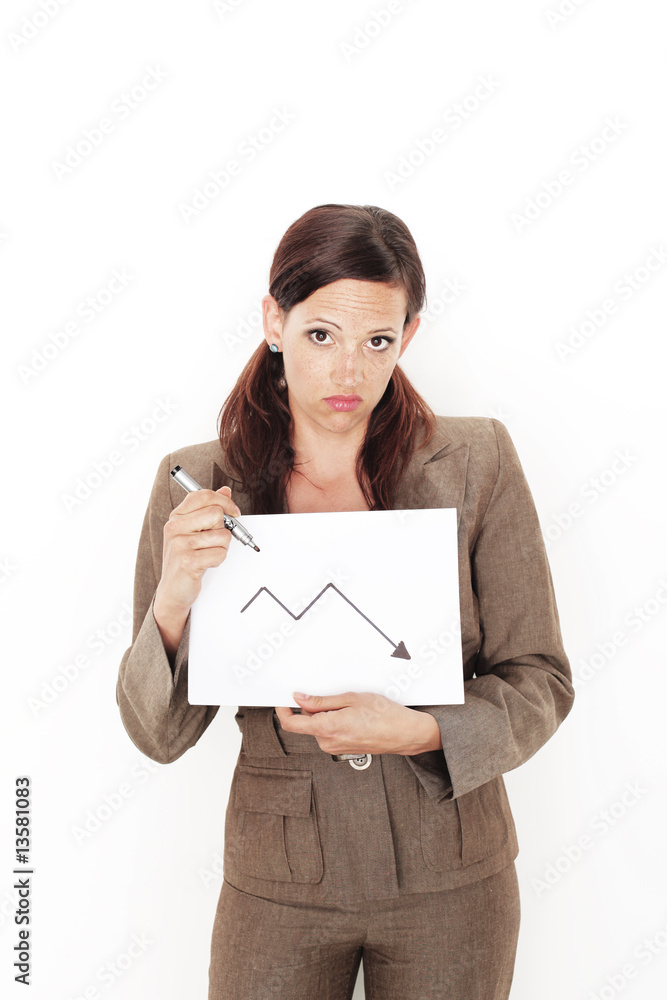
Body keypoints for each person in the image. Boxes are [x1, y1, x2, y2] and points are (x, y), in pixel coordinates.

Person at [116, 203, 575, 1000]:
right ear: (274, 321)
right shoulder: (198, 481)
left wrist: (424, 731)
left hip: (451, 871)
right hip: (280, 877)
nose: (348, 373)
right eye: (322, 335)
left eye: (377, 342)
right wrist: (175, 597)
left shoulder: (477, 462)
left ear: (409, 336)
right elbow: (158, 737)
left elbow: (540, 678)